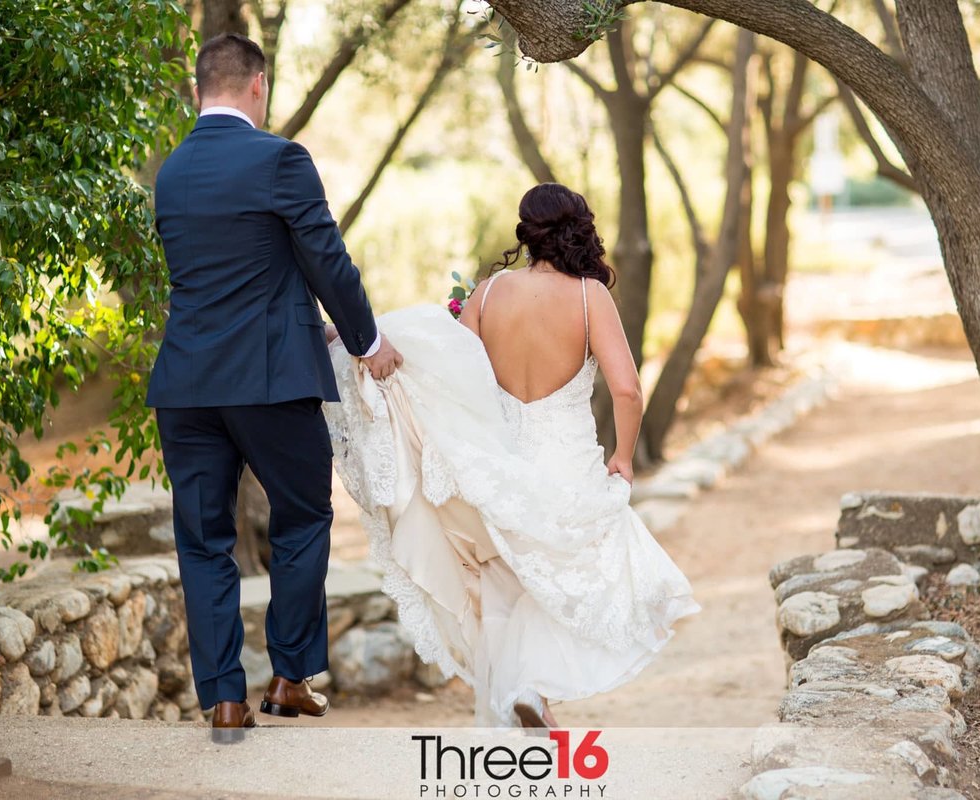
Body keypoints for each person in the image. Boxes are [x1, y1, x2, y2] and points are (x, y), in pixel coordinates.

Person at [324, 183, 699, 727]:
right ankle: (531, 687)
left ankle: (519, 699)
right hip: (562, 461)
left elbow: (450, 369)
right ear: (579, 228)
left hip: (494, 462)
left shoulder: (490, 292)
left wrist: (363, 337)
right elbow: (627, 391)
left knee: (505, 578)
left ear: (526, 231)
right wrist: (623, 455)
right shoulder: (591, 297)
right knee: (564, 578)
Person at [145, 33, 401, 742]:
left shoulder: (171, 173)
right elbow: (326, 257)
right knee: (302, 516)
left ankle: (224, 700)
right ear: (257, 86)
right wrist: (366, 341)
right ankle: (289, 679)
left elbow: (227, 277)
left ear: (201, 89)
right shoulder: (280, 158)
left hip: (187, 385)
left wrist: (305, 324)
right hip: (269, 382)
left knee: (203, 541)